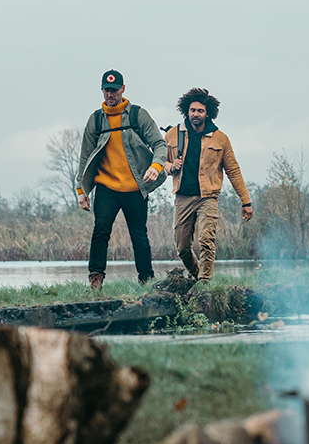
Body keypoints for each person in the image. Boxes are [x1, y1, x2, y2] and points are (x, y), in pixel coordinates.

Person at [77, 70, 169, 289]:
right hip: (106, 187)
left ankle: (146, 280)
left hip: (136, 187)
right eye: (107, 90)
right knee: (101, 231)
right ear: (102, 91)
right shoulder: (96, 120)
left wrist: (156, 166)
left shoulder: (138, 115)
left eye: (115, 89)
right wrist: (82, 191)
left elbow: (159, 144)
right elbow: (84, 157)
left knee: (139, 236)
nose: (111, 94)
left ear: (123, 89)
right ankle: (96, 279)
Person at [164, 88, 253, 282]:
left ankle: (205, 281)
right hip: (183, 197)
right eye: (193, 110)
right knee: (182, 247)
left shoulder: (220, 139)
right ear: (187, 111)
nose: (196, 114)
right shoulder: (173, 134)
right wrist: (170, 166)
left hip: (208, 197)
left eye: (200, 111)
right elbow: (159, 161)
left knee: (206, 240)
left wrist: (245, 201)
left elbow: (234, 171)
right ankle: (196, 275)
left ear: (208, 113)